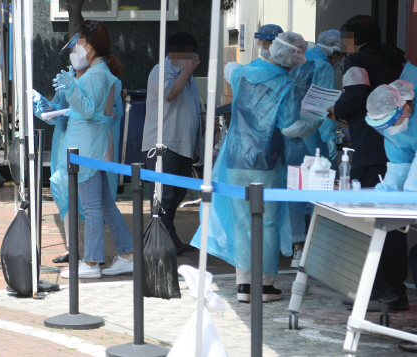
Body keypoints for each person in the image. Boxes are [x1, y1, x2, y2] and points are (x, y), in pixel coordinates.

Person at [193, 32, 319, 303]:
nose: (303, 59)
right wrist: (313, 121)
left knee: (241, 223)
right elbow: (290, 128)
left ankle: (244, 285)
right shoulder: (286, 85)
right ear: (292, 57)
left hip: (235, 159)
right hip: (266, 162)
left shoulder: (243, 74)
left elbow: (230, 70)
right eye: (300, 54)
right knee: (266, 223)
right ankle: (263, 285)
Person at [328, 15, 407, 310]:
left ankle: (382, 292)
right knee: (394, 225)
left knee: (368, 220)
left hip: (370, 150)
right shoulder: (397, 60)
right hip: (397, 150)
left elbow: (356, 92)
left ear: (349, 39)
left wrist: (336, 110)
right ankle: (397, 292)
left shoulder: (357, 60)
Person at [51, 20, 133, 279]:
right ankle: (128, 253)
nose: (76, 48)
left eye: (80, 44)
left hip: (87, 149)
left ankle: (91, 262)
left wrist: (71, 87)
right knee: (105, 204)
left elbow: (87, 110)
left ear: (91, 46)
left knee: (92, 206)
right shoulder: (100, 73)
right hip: (92, 146)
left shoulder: (97, 75)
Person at [287, 29, 344, 267]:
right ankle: (314, 248)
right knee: (318, 186)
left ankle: (296, 246)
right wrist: (330, 137)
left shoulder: (299, 59)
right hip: (313, 134)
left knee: (294, 185)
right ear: (334, 52)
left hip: (291, 132)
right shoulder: (324, 66)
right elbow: (324, 106)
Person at [142, 32, 202, 253]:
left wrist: (204, 119)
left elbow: (194, 103)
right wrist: (187, 69)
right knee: (164, 195)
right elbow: (170, 94)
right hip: (163, 144)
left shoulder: (186, 74)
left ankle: (168, 236)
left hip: (183, 144)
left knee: (176, 193)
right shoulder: (162, 70)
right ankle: (159, 243)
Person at [33, 61, 88, 264]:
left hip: (87, 144)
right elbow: (53, 114)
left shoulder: (96, 79)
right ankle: (72, 249)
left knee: (91, 200)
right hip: (64, 143)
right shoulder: (67, 80)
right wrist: (39, 103)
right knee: (66, 199)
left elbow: (107, 113)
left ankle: (94, 252)